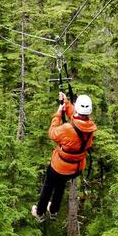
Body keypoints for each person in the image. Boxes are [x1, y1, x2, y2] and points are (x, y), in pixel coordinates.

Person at [31, 92, 97, 222]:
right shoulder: (89, 128)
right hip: (75, 168)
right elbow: (76, 116)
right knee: (60, 185)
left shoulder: (67, 129)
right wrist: (66, 103)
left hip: (59, 166)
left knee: (49, 185)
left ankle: (39, 212)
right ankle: (54, 210)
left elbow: (52, 133)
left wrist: (58, 113)